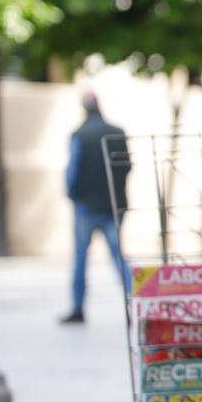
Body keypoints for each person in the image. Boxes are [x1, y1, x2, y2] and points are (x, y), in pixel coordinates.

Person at [61, 92, 131, 324]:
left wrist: (72, 195)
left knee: (81, 259)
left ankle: (78, 308)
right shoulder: (117, 133)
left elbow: (73, 170)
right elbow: (127, 166)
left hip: (86, 206)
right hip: (113, 204)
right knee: (118, 257)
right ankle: (134, 302)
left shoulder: (80, 134)